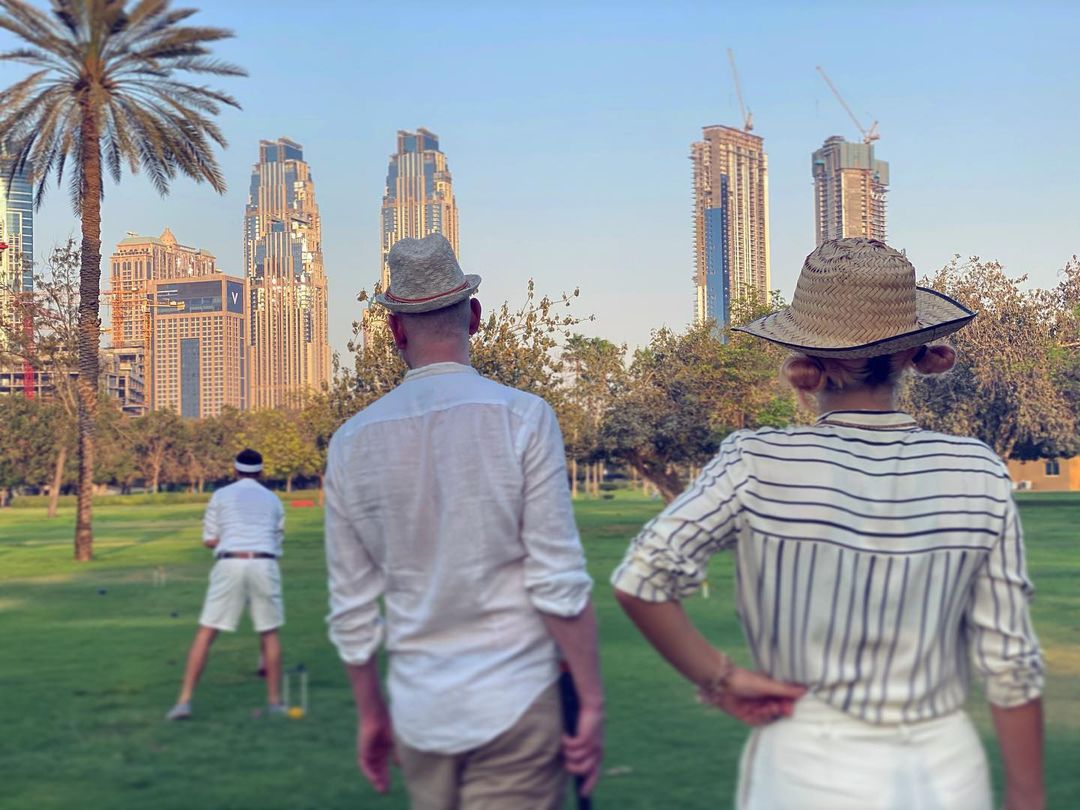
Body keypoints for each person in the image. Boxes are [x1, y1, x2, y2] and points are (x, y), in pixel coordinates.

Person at [611, 237, 1045, 810]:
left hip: (803, 767)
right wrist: (1027, 797)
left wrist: (722, 679)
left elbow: (642, 579)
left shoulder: (756, 462)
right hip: (944, 772)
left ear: (804, 360)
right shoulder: (976, 470)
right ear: (909, 354)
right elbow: (1010, 662)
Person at [324, 233, 603, 808]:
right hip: (516, 699)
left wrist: (371, 714)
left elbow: (351, 607)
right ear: (473, 315)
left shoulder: (351, 443)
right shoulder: (523, 418)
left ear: (396, 330)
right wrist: (591, 699)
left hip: (420, 713)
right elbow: (557, 579)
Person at [166, 448, 287, 721]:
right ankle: (275, 703)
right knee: (269, 632)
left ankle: (184, 701)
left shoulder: (220, 496)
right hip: (264, 564)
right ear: (261, 472)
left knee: (206, 633)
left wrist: (233, 540)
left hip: (229, 562)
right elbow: (277, 538)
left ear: (234, 471)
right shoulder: (273, 499)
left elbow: (210, 539)